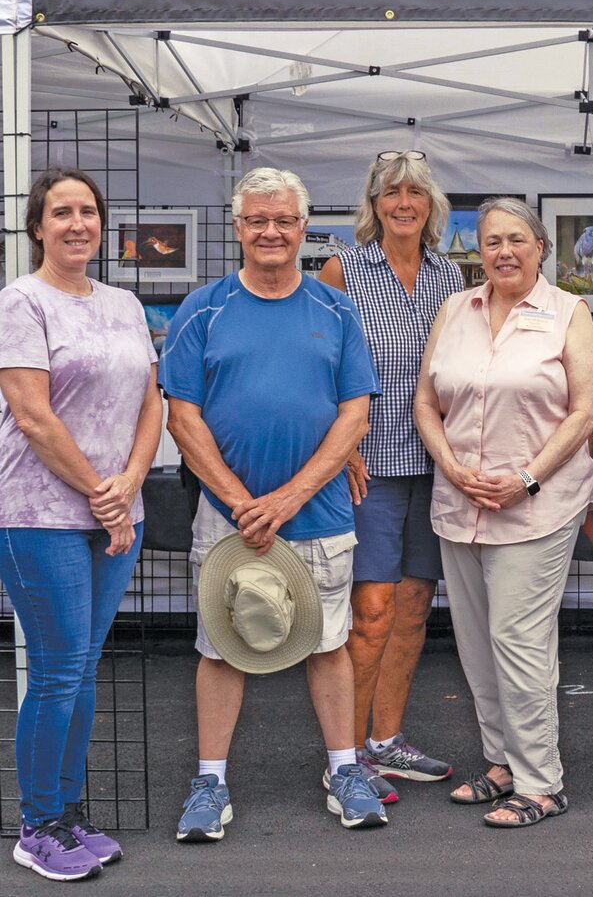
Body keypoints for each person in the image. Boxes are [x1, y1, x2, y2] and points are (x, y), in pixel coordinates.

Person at [160, 167, 388, 839]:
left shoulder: (334, 308)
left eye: (284, 221)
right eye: (257, 220)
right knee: (222, 646)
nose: (270, 232)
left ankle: (344, 770)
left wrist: (288, 497)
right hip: (226, 519)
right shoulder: (202, 308)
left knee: (327, 641)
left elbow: (355, 415)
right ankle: (210, 783)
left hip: (316, 514)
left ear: (302, 230)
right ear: (237, 228)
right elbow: (181, 415)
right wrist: (239, 502)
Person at [0, 166, 163, 882]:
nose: (77, 223)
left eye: (88, 211)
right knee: (58, 670)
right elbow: (33, 415)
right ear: (37, 227)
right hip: (37, 513)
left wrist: (129, 485)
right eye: (62, 212)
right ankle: (37, 826)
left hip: (115, 509)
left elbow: (155, 402)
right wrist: (102, 493)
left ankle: (66, 812)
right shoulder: (20, 302)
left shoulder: (123, 303)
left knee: (81, 669)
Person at [412, 197, 593, 829]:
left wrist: (526, 479)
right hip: (460, 500)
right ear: (479, 250)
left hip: (536, 507)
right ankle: (501, 764)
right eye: (492, 241)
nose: (503, 252)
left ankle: (542, 782)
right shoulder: (455, 309)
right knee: (475, 642)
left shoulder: (568, 314)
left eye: (516, 240)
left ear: (542, 247)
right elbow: (424, 403)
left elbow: (584, 413)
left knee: (518, 641)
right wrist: (451, 466)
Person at [316, 150, 464, 801]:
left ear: (431, 206)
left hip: (432, 466)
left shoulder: (448, 277)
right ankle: (344, 759)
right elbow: (315, 366)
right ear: (372, 204)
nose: (404, 203)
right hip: (367, 469)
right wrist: (339, 445)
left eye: (416, 193)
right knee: (369, 613)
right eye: (391, 192)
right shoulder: (342, 270)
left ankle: (386, 742)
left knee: (411, 611)